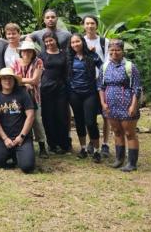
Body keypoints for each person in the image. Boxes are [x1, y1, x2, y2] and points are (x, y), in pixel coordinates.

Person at [98, 39, 142, 172]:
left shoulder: (130, 67)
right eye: (112, 50)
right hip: (111, 105)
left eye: (117, 50)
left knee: (129, 133)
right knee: (117, 132)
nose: (114, 53)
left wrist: (133, 106)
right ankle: (119, 159)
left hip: (126, 104)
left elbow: (137, 88)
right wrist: (103, 102)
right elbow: (101, 86)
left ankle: (132, 163)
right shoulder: (105, 67)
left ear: (123, 51)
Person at [0, 68, 36, 174]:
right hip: (4, 139)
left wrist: (22, 136)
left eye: (10, 78)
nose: (7, 81)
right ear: (0, 81)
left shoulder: (23, 94)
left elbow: (31, 116)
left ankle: (19, 155)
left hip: (22, 138)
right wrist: (5, 138)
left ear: (14, 80)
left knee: (27, 167)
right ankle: (13, 155)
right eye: (4, 79)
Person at [67, 33, 103, 162]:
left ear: (82, 42)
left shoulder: (92, 55)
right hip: (74, 93)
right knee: (79, 121)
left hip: (90, 93)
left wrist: (101, 83)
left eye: (77, 41)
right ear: (70, 45)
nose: (75, 44)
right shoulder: (69, 57)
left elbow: (103, 68)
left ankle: (97, 150)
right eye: (73, 42)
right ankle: (82, 148)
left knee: (90, 122)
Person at [12, 41, 49, 158]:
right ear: (21, 52)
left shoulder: (38, 62)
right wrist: (25, 82)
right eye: (24, 51)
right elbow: (13, 80)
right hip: (19, 97)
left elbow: (35, 81)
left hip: (34, 97)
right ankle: (24, 144)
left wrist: (21, 80)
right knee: (20, 120)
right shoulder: (16, 62)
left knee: (37, 121)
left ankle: (42, 146)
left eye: (29, 51)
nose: (26, 53)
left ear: (33, 52)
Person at [82, 15, 111, 158]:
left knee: (106, 114)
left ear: (96, 25)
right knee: (90, 115)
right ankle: (92, 141)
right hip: (88, 82)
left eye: (92, 23)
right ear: (83, 26)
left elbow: (107, 62)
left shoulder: (104, 42)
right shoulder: (80, 41)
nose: (89, 26)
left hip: (103, 82)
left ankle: (105, 143)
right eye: (87, 23)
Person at [39, 32, 71, 153]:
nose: (49, 43)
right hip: (46, 89)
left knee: (62, 116)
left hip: (61, 88)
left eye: (50, 40)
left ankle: (64, 144)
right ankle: (52, 144)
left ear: (55, 40)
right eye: (46, 41)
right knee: (48, 117)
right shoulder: (41, 55)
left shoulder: (64, 54)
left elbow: (67, 72)